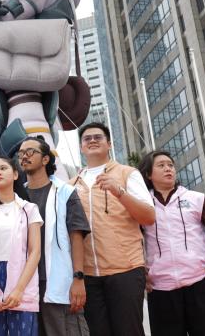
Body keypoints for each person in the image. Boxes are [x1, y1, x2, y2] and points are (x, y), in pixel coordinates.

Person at [68, 122, 155, 336]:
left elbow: (148, 217)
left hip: (125, 269)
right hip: (88, 274)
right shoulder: (70, 185)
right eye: (87, 138)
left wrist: (119, 192)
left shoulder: (128, 173)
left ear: (109, 144)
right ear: (81, 147)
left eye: (98, 137)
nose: (92, 140)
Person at [138, 151, 205, 336]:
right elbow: (130, 240)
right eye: (161, 165)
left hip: (200, 282)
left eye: (170, 165)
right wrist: (140, 271)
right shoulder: (142, 205)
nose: (168, 168)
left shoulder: (195, 198)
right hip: (160, 287)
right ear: (148, 174)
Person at [18, 136, 90, 336]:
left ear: (45, 159)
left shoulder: (65, 192)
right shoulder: (17, 196)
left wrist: (78, 278)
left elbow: (76, 236)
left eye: (30, 152)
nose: (24, 157)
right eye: (21, 153)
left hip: (57, 280)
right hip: (24, 282)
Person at [0, 156, 43, 336]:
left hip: (22, 276)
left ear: (15, 174)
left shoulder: (29, 209)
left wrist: (19, 289)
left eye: (3, 168)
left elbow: (35, 252)